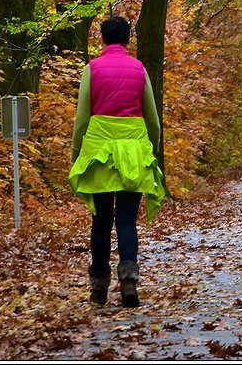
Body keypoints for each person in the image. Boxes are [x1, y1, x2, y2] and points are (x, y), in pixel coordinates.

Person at [68, 16, 165, 307]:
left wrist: (77, 154)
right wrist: (152, 149)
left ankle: (98, 288)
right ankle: (129, 284)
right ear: (127, 39)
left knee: (100, 221)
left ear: (101, 39)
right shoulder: (139, 69)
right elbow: (153, 120)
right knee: (125, 220)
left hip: (99, 152)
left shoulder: (92, 69)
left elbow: (82, 118)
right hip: (133, 152)